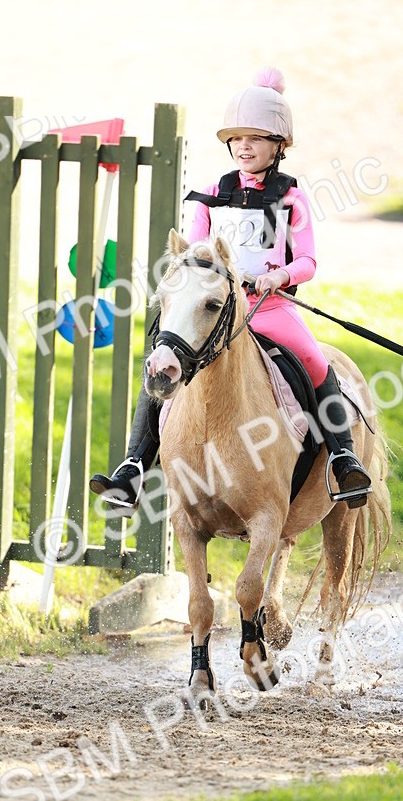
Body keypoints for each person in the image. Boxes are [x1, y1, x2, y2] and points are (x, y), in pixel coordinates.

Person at [89, 66, 372, 515]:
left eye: (256, 138)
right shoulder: (209, 195)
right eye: (237, 138)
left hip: (268, 305)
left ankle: (342, 456)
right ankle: (133, 468)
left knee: (316, 362)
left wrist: (278, 276)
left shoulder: (291, 199)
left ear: (278, 146)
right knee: (162, 362)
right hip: (211, 305)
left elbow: (308, 262)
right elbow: (194, 249)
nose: (245, 146)